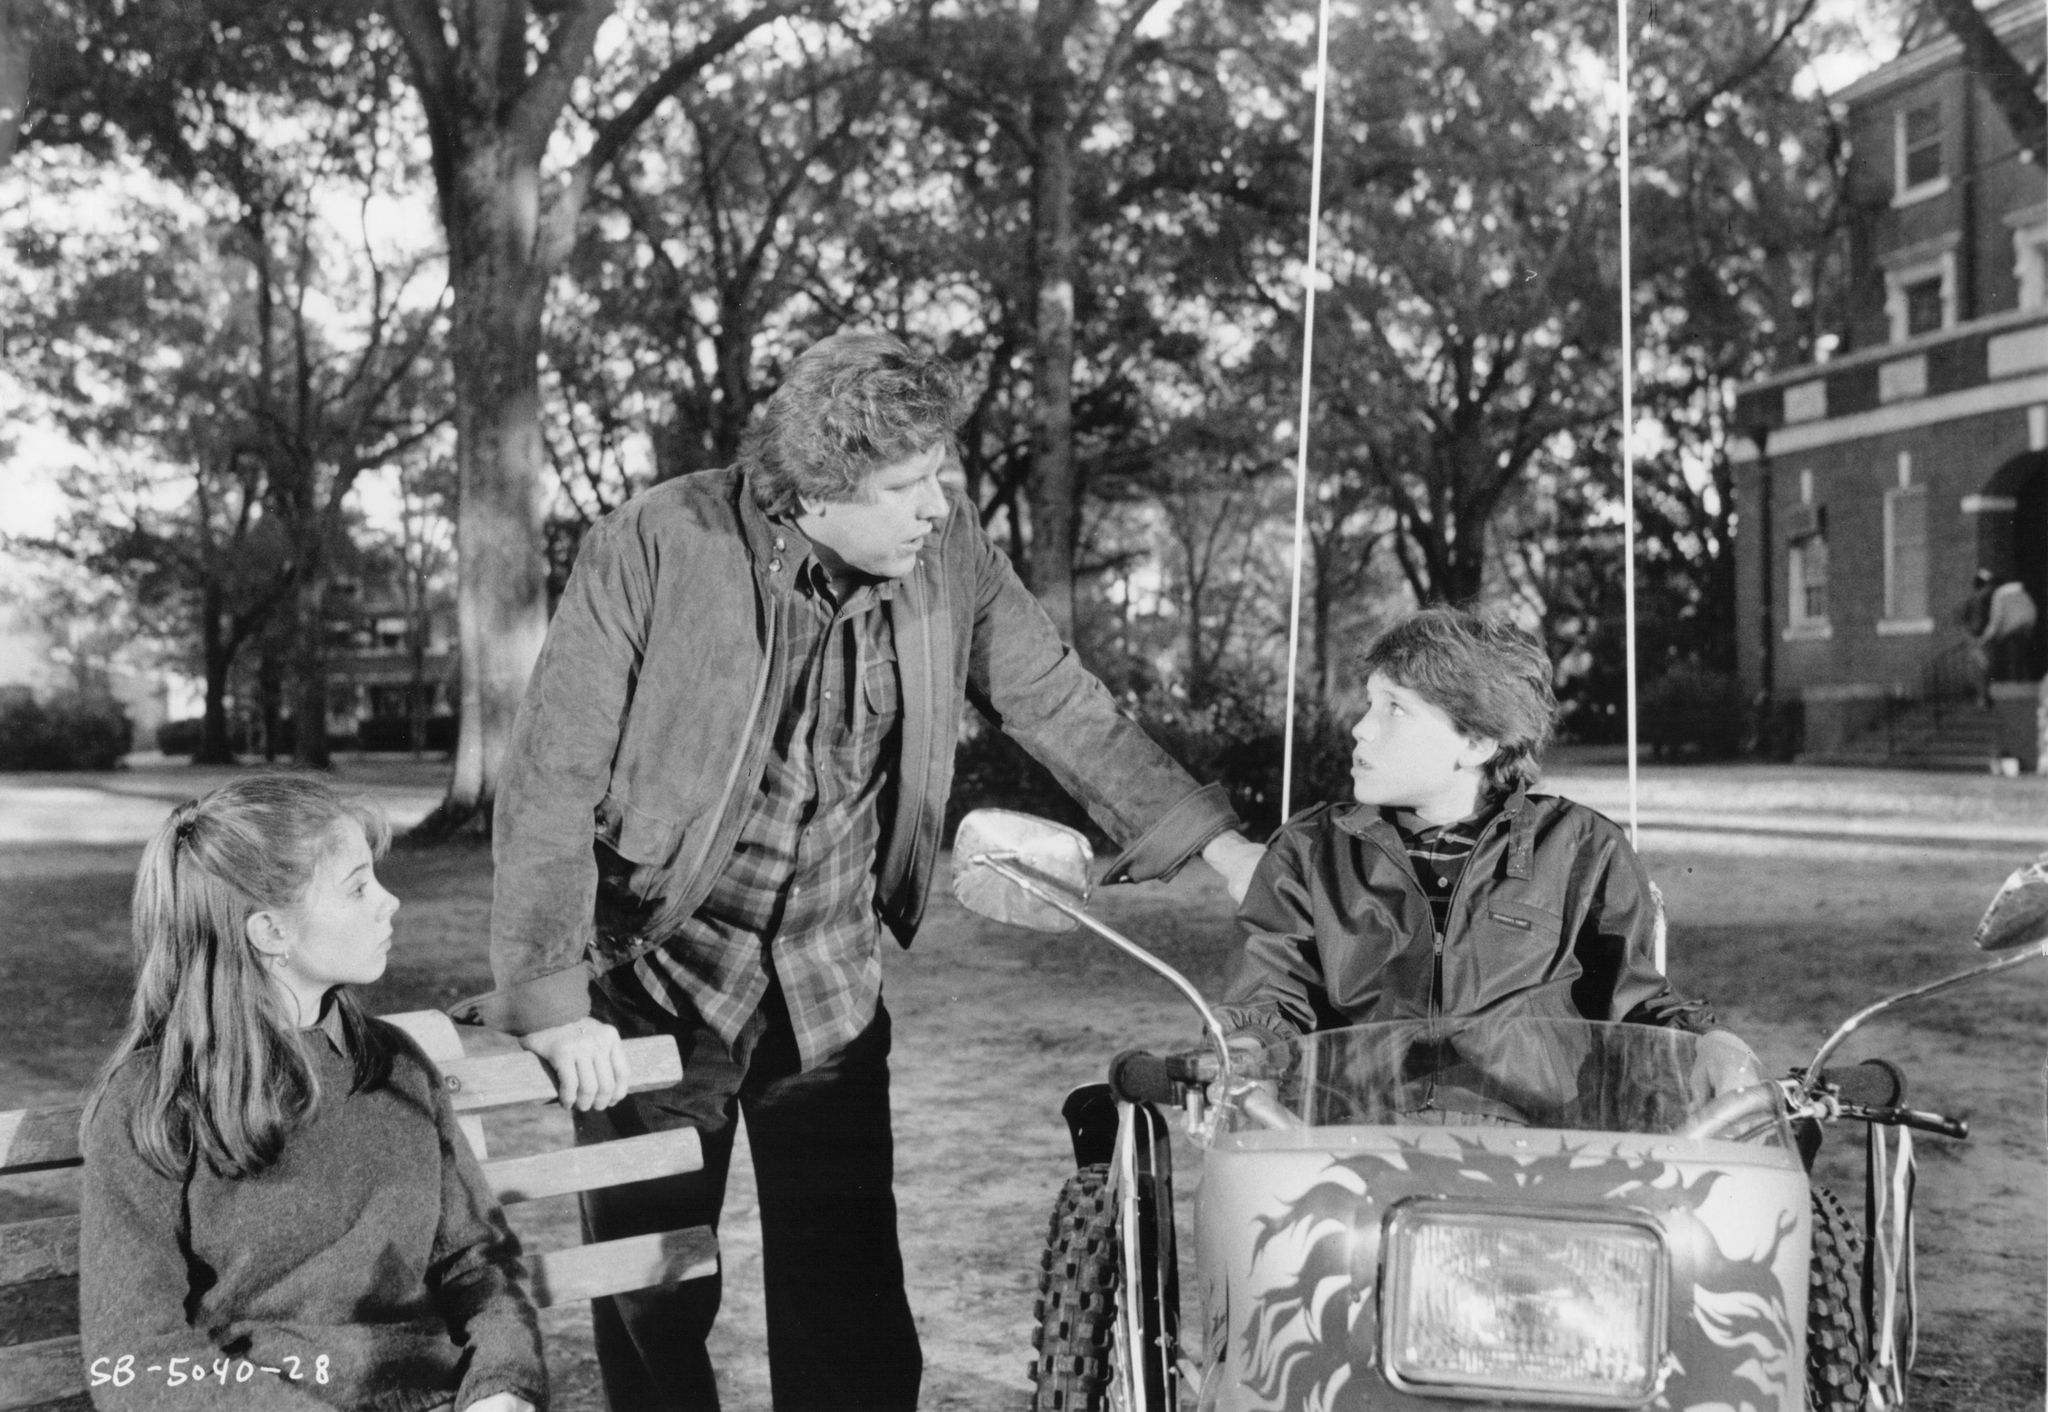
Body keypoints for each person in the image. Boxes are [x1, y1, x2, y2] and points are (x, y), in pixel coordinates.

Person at [461, 330, 1266, 1411]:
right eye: (906, 485)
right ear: (815, 490)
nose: (936, 503)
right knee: (653, 1301)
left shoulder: (949, 554)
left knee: (847, 1308)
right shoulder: (655, 541)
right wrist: (555, 1008)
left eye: (940, 474)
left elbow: (1058, 700)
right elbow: (551, 777)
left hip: (826, 992)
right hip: (653, 985)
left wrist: (1222, 848)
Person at [78, 773, 545, 1412]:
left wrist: (502, 1383)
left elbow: (476, 1262)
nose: (390, 902)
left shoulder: (395, 1068)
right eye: (357, 887)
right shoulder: (154, 1106)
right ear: (271, 932)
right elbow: (134, 1361)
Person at [1215, 608, 1761, 1109]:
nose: (1361, 728)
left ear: (1477, 743)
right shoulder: (1313, 848)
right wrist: (1246, 1049)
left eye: (1395, 708)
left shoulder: (1581, 849)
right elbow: (1272, 996)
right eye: (1369, 703)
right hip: (1353, 1140)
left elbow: (1636, 1002)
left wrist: (1709, 1044)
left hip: (1537, 1154)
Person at [1978, 575, 2037, 707]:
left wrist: (1985, 638)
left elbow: (1996, 619)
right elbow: (2031, 609)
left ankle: (2011, 698)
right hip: (2027, 628)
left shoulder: (2000, 594)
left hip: (2012, 631)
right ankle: (2024, 694)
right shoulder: (2021, 592)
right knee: (2020, 661)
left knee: (2009, 663)